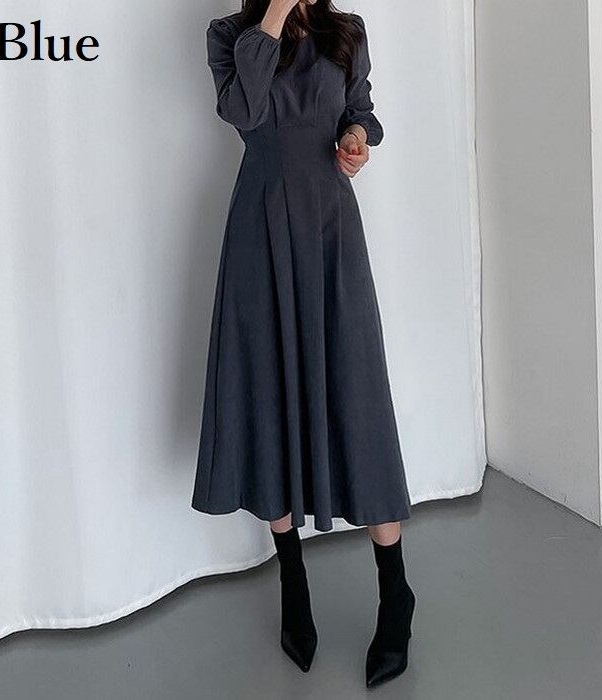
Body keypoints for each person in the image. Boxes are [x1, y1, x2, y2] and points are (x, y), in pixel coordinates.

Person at [191, 0, 415, 687]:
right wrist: (274, 16)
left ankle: (396, 591)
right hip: (259, 232)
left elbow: (361, 109)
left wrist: (356, 135)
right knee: (269, 394)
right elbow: (243, 111)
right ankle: (292, 578)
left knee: (357, 398)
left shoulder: (346, 31)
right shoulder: (230, 36)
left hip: (329, 230)